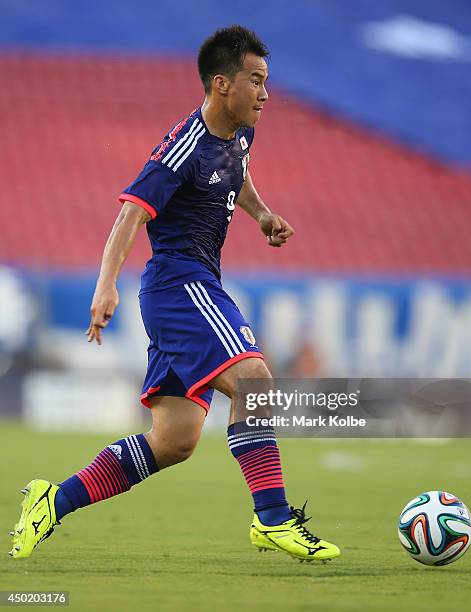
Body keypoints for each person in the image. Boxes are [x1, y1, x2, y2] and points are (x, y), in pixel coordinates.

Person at [10, 25, 340, 563]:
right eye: (255, 81)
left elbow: (239, 171)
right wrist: (106, 283)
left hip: (189, 286)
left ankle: (54, 500)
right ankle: (274, 519)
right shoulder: (183, 146)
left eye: (266, 82)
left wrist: (261, 215)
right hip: (179, 284)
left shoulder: (240, 132)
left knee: (175, 441)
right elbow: (131, 211)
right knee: (255, 381)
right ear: (220, 84)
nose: (265, 94)